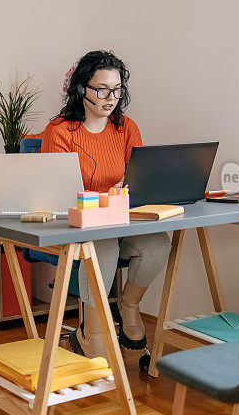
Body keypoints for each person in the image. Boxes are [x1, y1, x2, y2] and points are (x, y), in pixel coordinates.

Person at [40, 50, 171, 358]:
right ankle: (92, 333)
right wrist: (101, 197)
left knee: (157, 244)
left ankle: (129, 306)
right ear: (81, 88)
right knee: (104, 247)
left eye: (116, 89)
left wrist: (127, 190)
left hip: (121, 219)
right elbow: (58, 194)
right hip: (79, 226)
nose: (110, 97)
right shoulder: (59, 131)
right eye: (102, 89)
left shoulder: (126, 128)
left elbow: (138, 179)